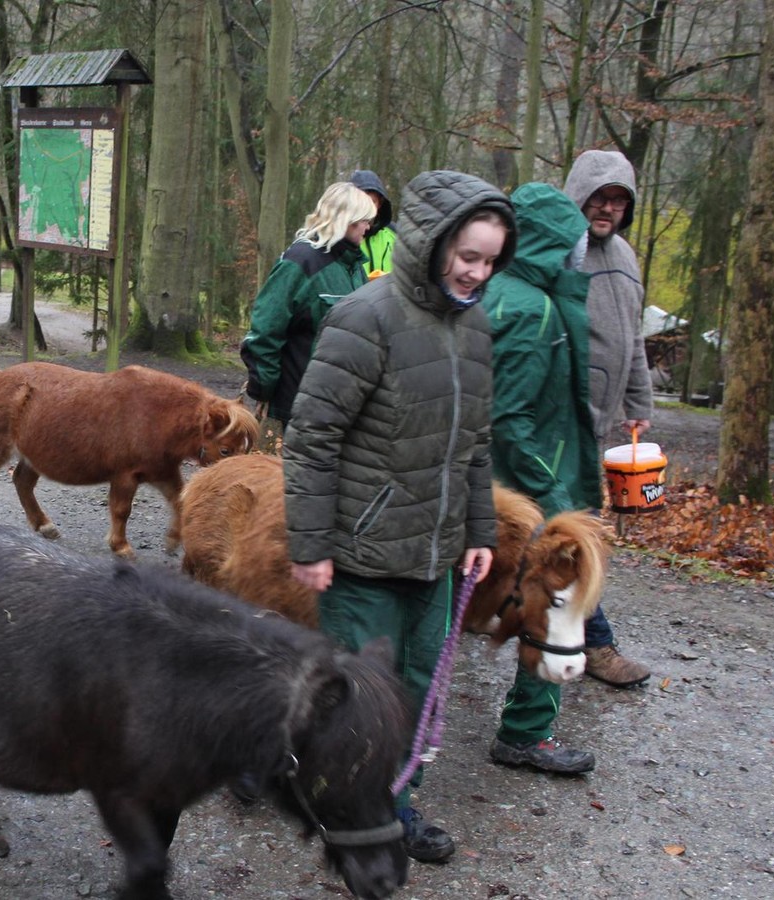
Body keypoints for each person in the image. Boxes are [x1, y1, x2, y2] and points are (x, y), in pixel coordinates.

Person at [282, 170, 515, 864]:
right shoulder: (364, 315)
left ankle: (391, 802)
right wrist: (312, 542)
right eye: (468, 256)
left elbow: (475, 442)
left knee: (415, 697)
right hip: (361, 554)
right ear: (432, 241)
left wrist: (478, 532)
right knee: (358, 702)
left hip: (435, 557)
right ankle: (366, 817)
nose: (478, 273)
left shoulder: (475, 329)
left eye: (490, 261)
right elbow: (313, 434)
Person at [483, 182, 600, 774]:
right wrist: (555, 495)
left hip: (498, 486)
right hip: (530, 490)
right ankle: (527, 732)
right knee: (556, 603)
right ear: (556, 244)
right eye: (574, 244)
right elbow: (511, 417)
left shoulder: (500, 293)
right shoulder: (533, 309)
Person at [563, 149, 654, 688]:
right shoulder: (558, 251)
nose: (609, 208)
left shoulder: (626, 256)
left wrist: (639, 407)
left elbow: (632, 339)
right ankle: (595, 644)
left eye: (620, 200)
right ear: (580, 194)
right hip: (560, 420)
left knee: (574, 529)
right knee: (576, 531)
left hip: (600, 424)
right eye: (601, 197)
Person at [240, 181, 373, 426]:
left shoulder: (354, 267)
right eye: (364, 220)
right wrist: (265, 391)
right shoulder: (301, 261)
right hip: (295, 409)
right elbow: (266, 330)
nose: (368, 227)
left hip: (341, 405)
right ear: (347, 219)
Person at [349, 169, 397, 278]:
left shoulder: (395, 234)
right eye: (361, 202)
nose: (366, 208)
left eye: (372, 202)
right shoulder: (344, 236)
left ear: (380, 203)